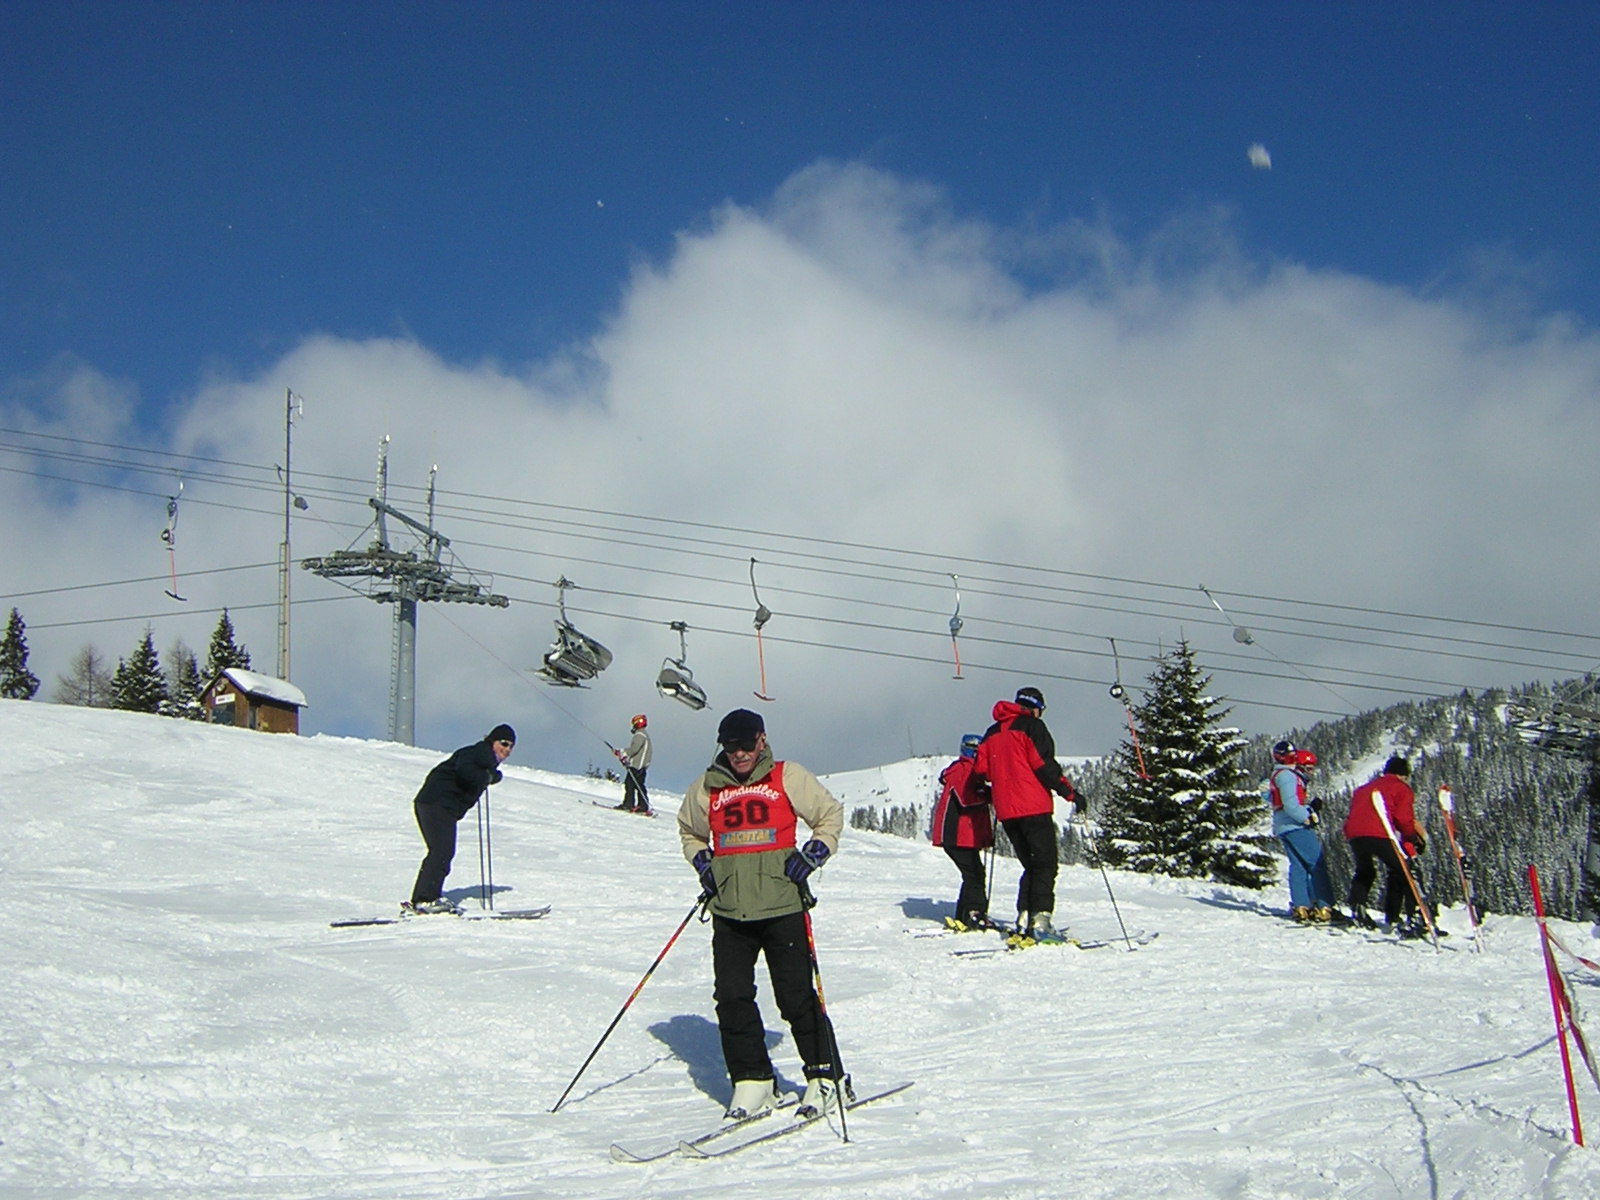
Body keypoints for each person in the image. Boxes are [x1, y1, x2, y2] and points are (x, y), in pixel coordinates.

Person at [677, 708, 848, 1121]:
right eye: (731, 746)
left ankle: (826, 1076)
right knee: (732, 997)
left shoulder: (788, 776)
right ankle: (752, 1080)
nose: (739, 754)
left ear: (762, 740)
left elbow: (829, 815)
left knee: (794, 996)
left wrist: (814, 853)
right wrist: (704, 864)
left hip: (782, 904)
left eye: (746, 744)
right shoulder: (707, 787)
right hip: (730, 910)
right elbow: (690, 832)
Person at [972, 686, 1082, 943]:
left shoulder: (991, 732)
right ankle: (1041, 921)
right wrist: (1071, 794)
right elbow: (1044, 765)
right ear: (1035, 707)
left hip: (1007, 811)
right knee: (1045, 864)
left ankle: (1024, 916)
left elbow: (981, 770)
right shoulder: (1032, 727)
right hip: (1033, 805)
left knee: (1031, 865)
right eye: (1041, 710)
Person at [408, 723, 515, 913]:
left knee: (440, 851)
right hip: (438, 804)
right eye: (504, 743)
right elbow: (465, 771)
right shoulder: (478, 753)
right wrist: (488, 776)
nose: (506, 750)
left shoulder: (483, 760)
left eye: (510, 746)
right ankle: (425, 899)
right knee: (442, 851)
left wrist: (491, 776)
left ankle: (423, 898)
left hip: (434, 804)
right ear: (492, 741)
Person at [1344, 755, 1427, 934]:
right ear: (1403, 775)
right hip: (1380, 832)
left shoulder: (1364, 788)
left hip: (1355, 834)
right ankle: (1415, 917)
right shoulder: (1402, 788)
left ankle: (1358, 907)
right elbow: (1403, 819)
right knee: (1404, 871)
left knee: (1365, 871)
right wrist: (1413, 838)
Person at [1266, 740, 1338, 923]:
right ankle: (1324, 906)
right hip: (1295, 825)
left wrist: (1308, 809)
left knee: (1298, 866)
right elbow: (1290, 804)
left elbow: (1273, 797)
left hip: (1283, 825)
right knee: (1316, 863)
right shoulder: (1288, 776)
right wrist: (1306, 817)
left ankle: (1302, 905)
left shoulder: (1278, 775)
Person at [930, 733, 994, 930]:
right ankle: (974, 914)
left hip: (961, 835)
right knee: (974, 873)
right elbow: (966, 800)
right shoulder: (963, 769)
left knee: (973, 873)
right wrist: (988, 795)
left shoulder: (968, 770)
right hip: (956, 834)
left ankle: (966, 914)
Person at [613, 713, 652, 815]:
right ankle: (641, 805)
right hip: (640, 764)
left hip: (638, 766)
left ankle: (630, 804)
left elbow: (634, 749)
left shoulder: (640, 735)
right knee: (637, 784)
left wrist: (623, 752)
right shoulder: (643, 734)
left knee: (631, 784)